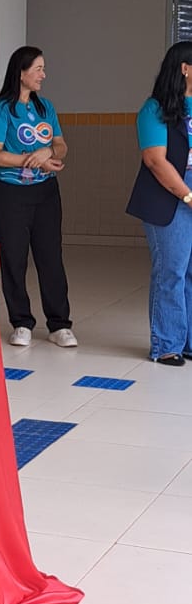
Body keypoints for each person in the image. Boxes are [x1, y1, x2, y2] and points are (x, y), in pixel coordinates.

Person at [0, 45, 77, 350]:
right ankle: (21, 322)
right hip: (8, 193)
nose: (43, 75)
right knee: (13, 257)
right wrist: (32, 160)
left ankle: (59, 324)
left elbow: (61, 145)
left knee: (51, 257)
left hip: (46, 192)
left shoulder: (45, 107)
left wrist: (48, 152)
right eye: (38, 69)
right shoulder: (0, 110)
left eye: (43, 69)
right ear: (21, 73)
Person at [127, 42, 192, 365]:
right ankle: (167, 345)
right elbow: (155, 160)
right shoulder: (154, 109)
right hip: (169, 196)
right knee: (172, 271)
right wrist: (188, 196)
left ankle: (188, 341)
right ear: (185, 69)